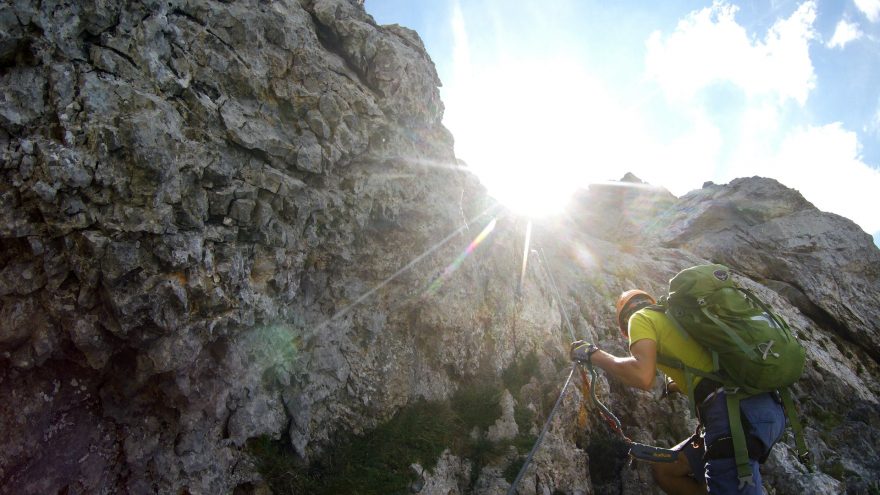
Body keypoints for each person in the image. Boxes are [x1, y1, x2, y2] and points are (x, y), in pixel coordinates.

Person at [571, 289, 786, 494]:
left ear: (624, 324)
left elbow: (642, 375)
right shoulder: (677, 320)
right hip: (763, 408)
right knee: (665, 470)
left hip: (732, 415)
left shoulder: (639, 318)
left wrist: (595, 355)